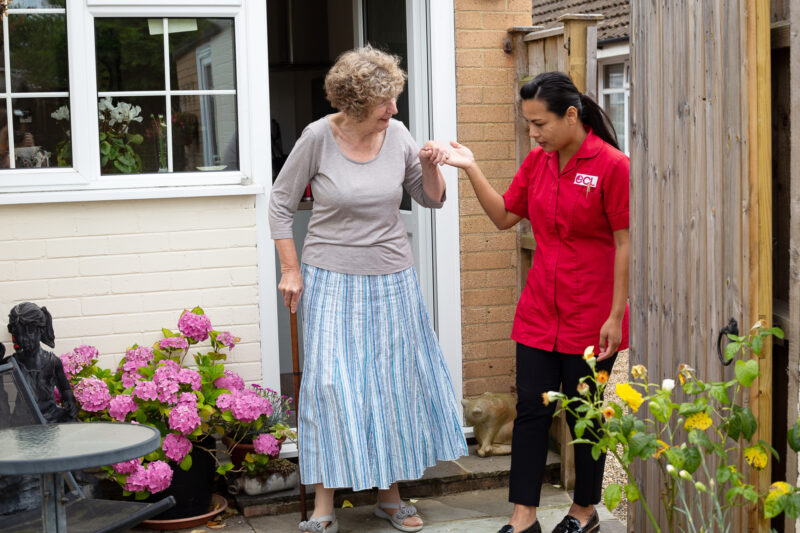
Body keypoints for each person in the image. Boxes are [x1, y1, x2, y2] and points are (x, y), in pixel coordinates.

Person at [268, 45, 468, 533]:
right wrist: (290, 269)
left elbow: (431, 199)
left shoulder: (397, 134)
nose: (395, 111)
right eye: (386, 103)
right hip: (331, 278)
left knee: (391, 386)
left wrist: (432, 162)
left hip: (393, 278)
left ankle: (390, 495)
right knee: (331, 388)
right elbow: (279, 204)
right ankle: (323, 504)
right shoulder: (318, 137)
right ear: (357, 103)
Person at [441, 72, 630, 533]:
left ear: (571, 115)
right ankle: (523, 516)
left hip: (591, 315)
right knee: (531, 411)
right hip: (539, 313)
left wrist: (615, 315)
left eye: (540, 123)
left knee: (584, 415)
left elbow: (625, 243)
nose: (534, 133)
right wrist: (471, 168)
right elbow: (505, 215)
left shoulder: (612, 165)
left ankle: (584, 511)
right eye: (528, 124)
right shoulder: (538, 162)